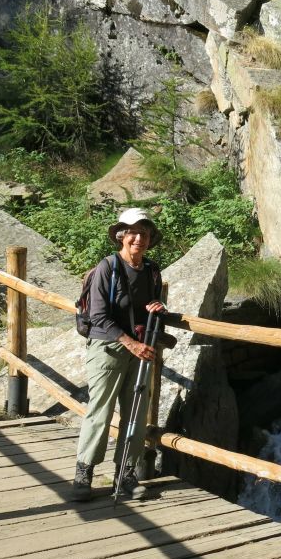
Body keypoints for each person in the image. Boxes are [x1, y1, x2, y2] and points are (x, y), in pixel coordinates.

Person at [72, 208, 166, 502]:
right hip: (109, 347)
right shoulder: (108, 267)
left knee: (135, 413)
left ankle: (125, 474)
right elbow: (98, 315)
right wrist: (131, 343)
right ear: (121, 236)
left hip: (141, 347)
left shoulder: (151, 270)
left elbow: (147, 307)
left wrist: (157, 307)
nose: (139, 238)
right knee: (100, 409)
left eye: (145, 233)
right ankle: (83, 472)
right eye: (133, 232)